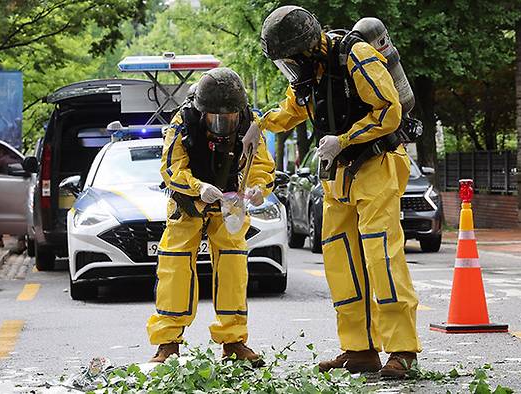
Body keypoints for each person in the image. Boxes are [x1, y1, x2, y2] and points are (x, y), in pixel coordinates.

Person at [245, 6, 422, 377]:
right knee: (342, 265)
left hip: (376, 166)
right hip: (337, 179)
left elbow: (389, 110)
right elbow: (291, 111)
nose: (289, 67)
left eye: (289, 59)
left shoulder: (356, 56)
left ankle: (403, 350)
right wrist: (259, 124)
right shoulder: (309, 74)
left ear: (307, 48)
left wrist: (343, 140)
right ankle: (359, 349)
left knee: (382, 262)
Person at [146, 67, 275, 366]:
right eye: (216, 118)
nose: (223, 124)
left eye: (229, 118)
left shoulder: (250, 124)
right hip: (189, 202)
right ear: (202, 112)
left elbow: (261, 165)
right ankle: (168, 344)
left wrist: (258, 188)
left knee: (232, 266)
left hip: (229, 201)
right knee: (175, 266)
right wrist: (197, 187)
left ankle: (233, 342)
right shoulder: (183, 122)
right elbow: (171, 168)